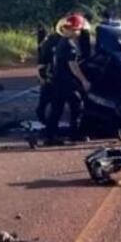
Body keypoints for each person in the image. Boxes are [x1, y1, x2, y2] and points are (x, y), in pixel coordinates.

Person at [44, 14, 92, 145]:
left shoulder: (62, 42)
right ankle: (73, 133)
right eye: (78, 30)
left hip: (58, 80)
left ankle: (51, 135)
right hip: (66, 82)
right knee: (77, 105)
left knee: (57, 108)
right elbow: (73, 66)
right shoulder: (69, 45)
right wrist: (84, 80)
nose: (79, 32)